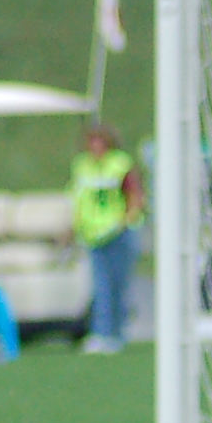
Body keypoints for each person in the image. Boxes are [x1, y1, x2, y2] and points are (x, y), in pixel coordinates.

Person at [71, 124, 146, 352]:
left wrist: (126, 219)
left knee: (118, 284)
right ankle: (102, 333)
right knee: (101, 285)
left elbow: (134, 194)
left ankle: (118, 332)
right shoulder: (83, 165)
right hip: (94, 234)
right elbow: (80, 198)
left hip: (118, 231)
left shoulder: (120, 164)